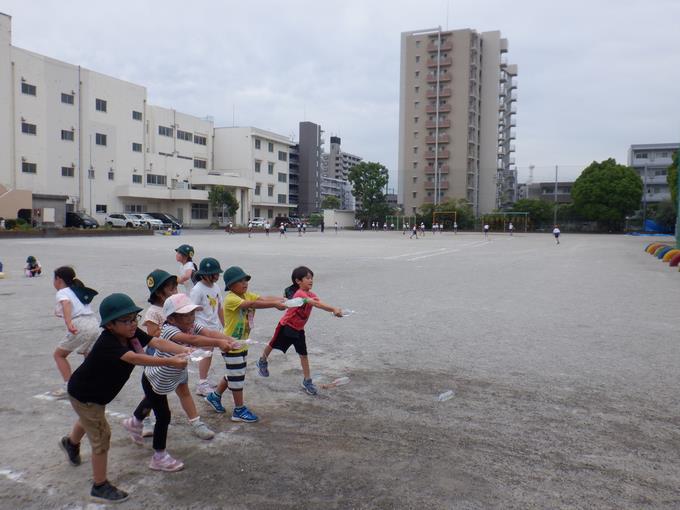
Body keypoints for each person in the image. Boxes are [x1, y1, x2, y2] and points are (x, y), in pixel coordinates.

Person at [60, 293, 190, 503]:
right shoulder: (108, 343)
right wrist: (171, 362)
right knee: (101, 435)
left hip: (95, 395)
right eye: (126, 320)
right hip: (85, 394)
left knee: (88, 419)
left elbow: (156, 341)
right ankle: (99, 485)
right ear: (110, 325)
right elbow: (136, 358)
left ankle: (71, 443)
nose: (132, 324)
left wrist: (183, 349)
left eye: (134, 318)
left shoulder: (131, 334)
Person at [124, 294, 237, 472]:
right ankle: (158, 456)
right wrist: (219, 343)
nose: (191, 318)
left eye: (192, 313)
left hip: (177, 372)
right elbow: (193, 340)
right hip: (158, 377)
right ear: (172, 318)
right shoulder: (169, 330)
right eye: (185, 315)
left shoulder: (191, 324)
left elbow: (207, 332)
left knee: (176, 395)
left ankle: (137, 421)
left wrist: (227, 339)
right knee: (163, 415)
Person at [205, 266, 285, 422]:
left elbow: (261, 299)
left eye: (245, 280)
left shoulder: (246, 294)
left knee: (235, 373)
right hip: (230, 345)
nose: (244, 283)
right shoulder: (231, 298)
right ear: (230, 285)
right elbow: (251, 305)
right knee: (237, 377)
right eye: (239, 281)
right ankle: (239, 410)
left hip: (242, 344)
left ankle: (214, 396)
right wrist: (275, 305)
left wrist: (280, 300)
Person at [255, 266, 342, 396]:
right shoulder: (300, 294)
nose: (311, 280)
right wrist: (333, 308)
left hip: (299, 330)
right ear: (298, 281)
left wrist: (334, 311)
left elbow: (319, 303)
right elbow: (315, 304)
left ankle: (307, 380)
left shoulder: (312, 294)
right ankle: (262, 360)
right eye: (307, 278)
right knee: (273, 344)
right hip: (286, 326)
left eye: (312, 278)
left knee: (303, 354)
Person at [51, 266, 100, 398]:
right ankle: (92, 385)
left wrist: (68, 323)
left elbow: (66, 304)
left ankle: (69, 386)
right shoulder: (77, 290)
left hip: (80, 324)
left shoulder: (63, 292)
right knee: (89, 356)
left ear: (59, 279)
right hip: (94, 323)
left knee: (59, 355)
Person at [190, 258, 224, 397]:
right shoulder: (197, 289)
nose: (217, 276)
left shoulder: (215, 287)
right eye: (214, 273)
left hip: (213, 326)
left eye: (217, 273)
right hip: (202, 327)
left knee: (209, 354)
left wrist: (224, 325)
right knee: (205, 353)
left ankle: (204, 379)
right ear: (204, 274)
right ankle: (202, 384)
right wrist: (194, 329)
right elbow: (190, 310)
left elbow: (220, 306)